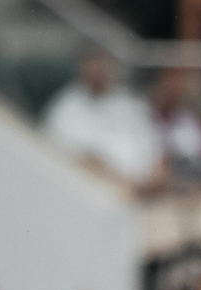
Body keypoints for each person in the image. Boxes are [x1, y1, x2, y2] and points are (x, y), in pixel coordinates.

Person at [43, 48, 166, 198]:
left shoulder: (130, 105)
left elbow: (155, 153)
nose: (98, 73)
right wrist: (109, 174)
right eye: (93, 67)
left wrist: (152, 177)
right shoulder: (67, 106)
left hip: (139, 192)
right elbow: (57, 152)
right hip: (85, 189)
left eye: (102, 66)